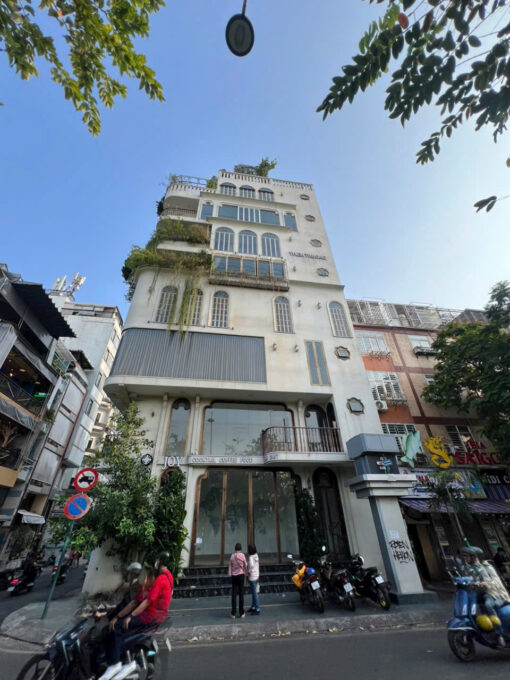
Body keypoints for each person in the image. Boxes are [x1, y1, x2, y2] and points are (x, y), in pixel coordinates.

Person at [106, 553, 173, 666]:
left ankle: (114, 663)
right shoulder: (168, 576)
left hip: (150, 616)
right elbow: (134, 602)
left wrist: (130, 616)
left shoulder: (159, 580)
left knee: (117, 627)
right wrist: (118, 615)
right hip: (159, 615)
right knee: (121, 624)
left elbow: (146, 602)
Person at [462, 546, 509, 648]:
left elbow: (496, 581)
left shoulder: (487, 567)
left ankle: (499, 634)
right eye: (464, 556)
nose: (465, 558)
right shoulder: (467, 568)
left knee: (488, 605)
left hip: (493, 593)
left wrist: (486, 583)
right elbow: (467, 580)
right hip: (478, 593)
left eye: (467, 556)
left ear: (474, 556)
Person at [228, 543, 247, 619]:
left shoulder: (232, 556)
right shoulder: (242, 555)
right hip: (241, 575)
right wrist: (245, 572)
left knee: (234, 594)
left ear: (235, 549)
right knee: (241, 594)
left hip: (234, 576)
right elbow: (245, 565)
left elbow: (230, 566)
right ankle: (241, 613)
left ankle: (233, 613)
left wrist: (230, 574)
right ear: (241, 549)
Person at [247, 544, 260, 615]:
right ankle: (253, 607)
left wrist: (248, 571)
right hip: (256, 575)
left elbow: (251, 565)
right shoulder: (256, 555)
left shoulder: (251, 557)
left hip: (252, 576)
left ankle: (257, 609)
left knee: (254, 594)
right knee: (254, 592)